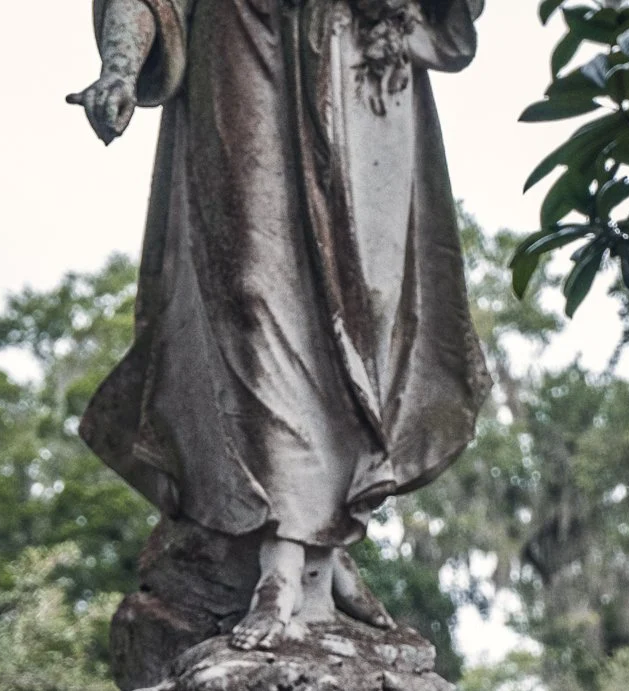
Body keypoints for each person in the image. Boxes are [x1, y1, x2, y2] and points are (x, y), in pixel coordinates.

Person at [70, 0, 489, 654]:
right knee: (249, 288)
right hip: (241, 39)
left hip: (362, 49)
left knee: (369, 305)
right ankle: (281, 559)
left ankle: (319, 536)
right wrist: (120, 67)